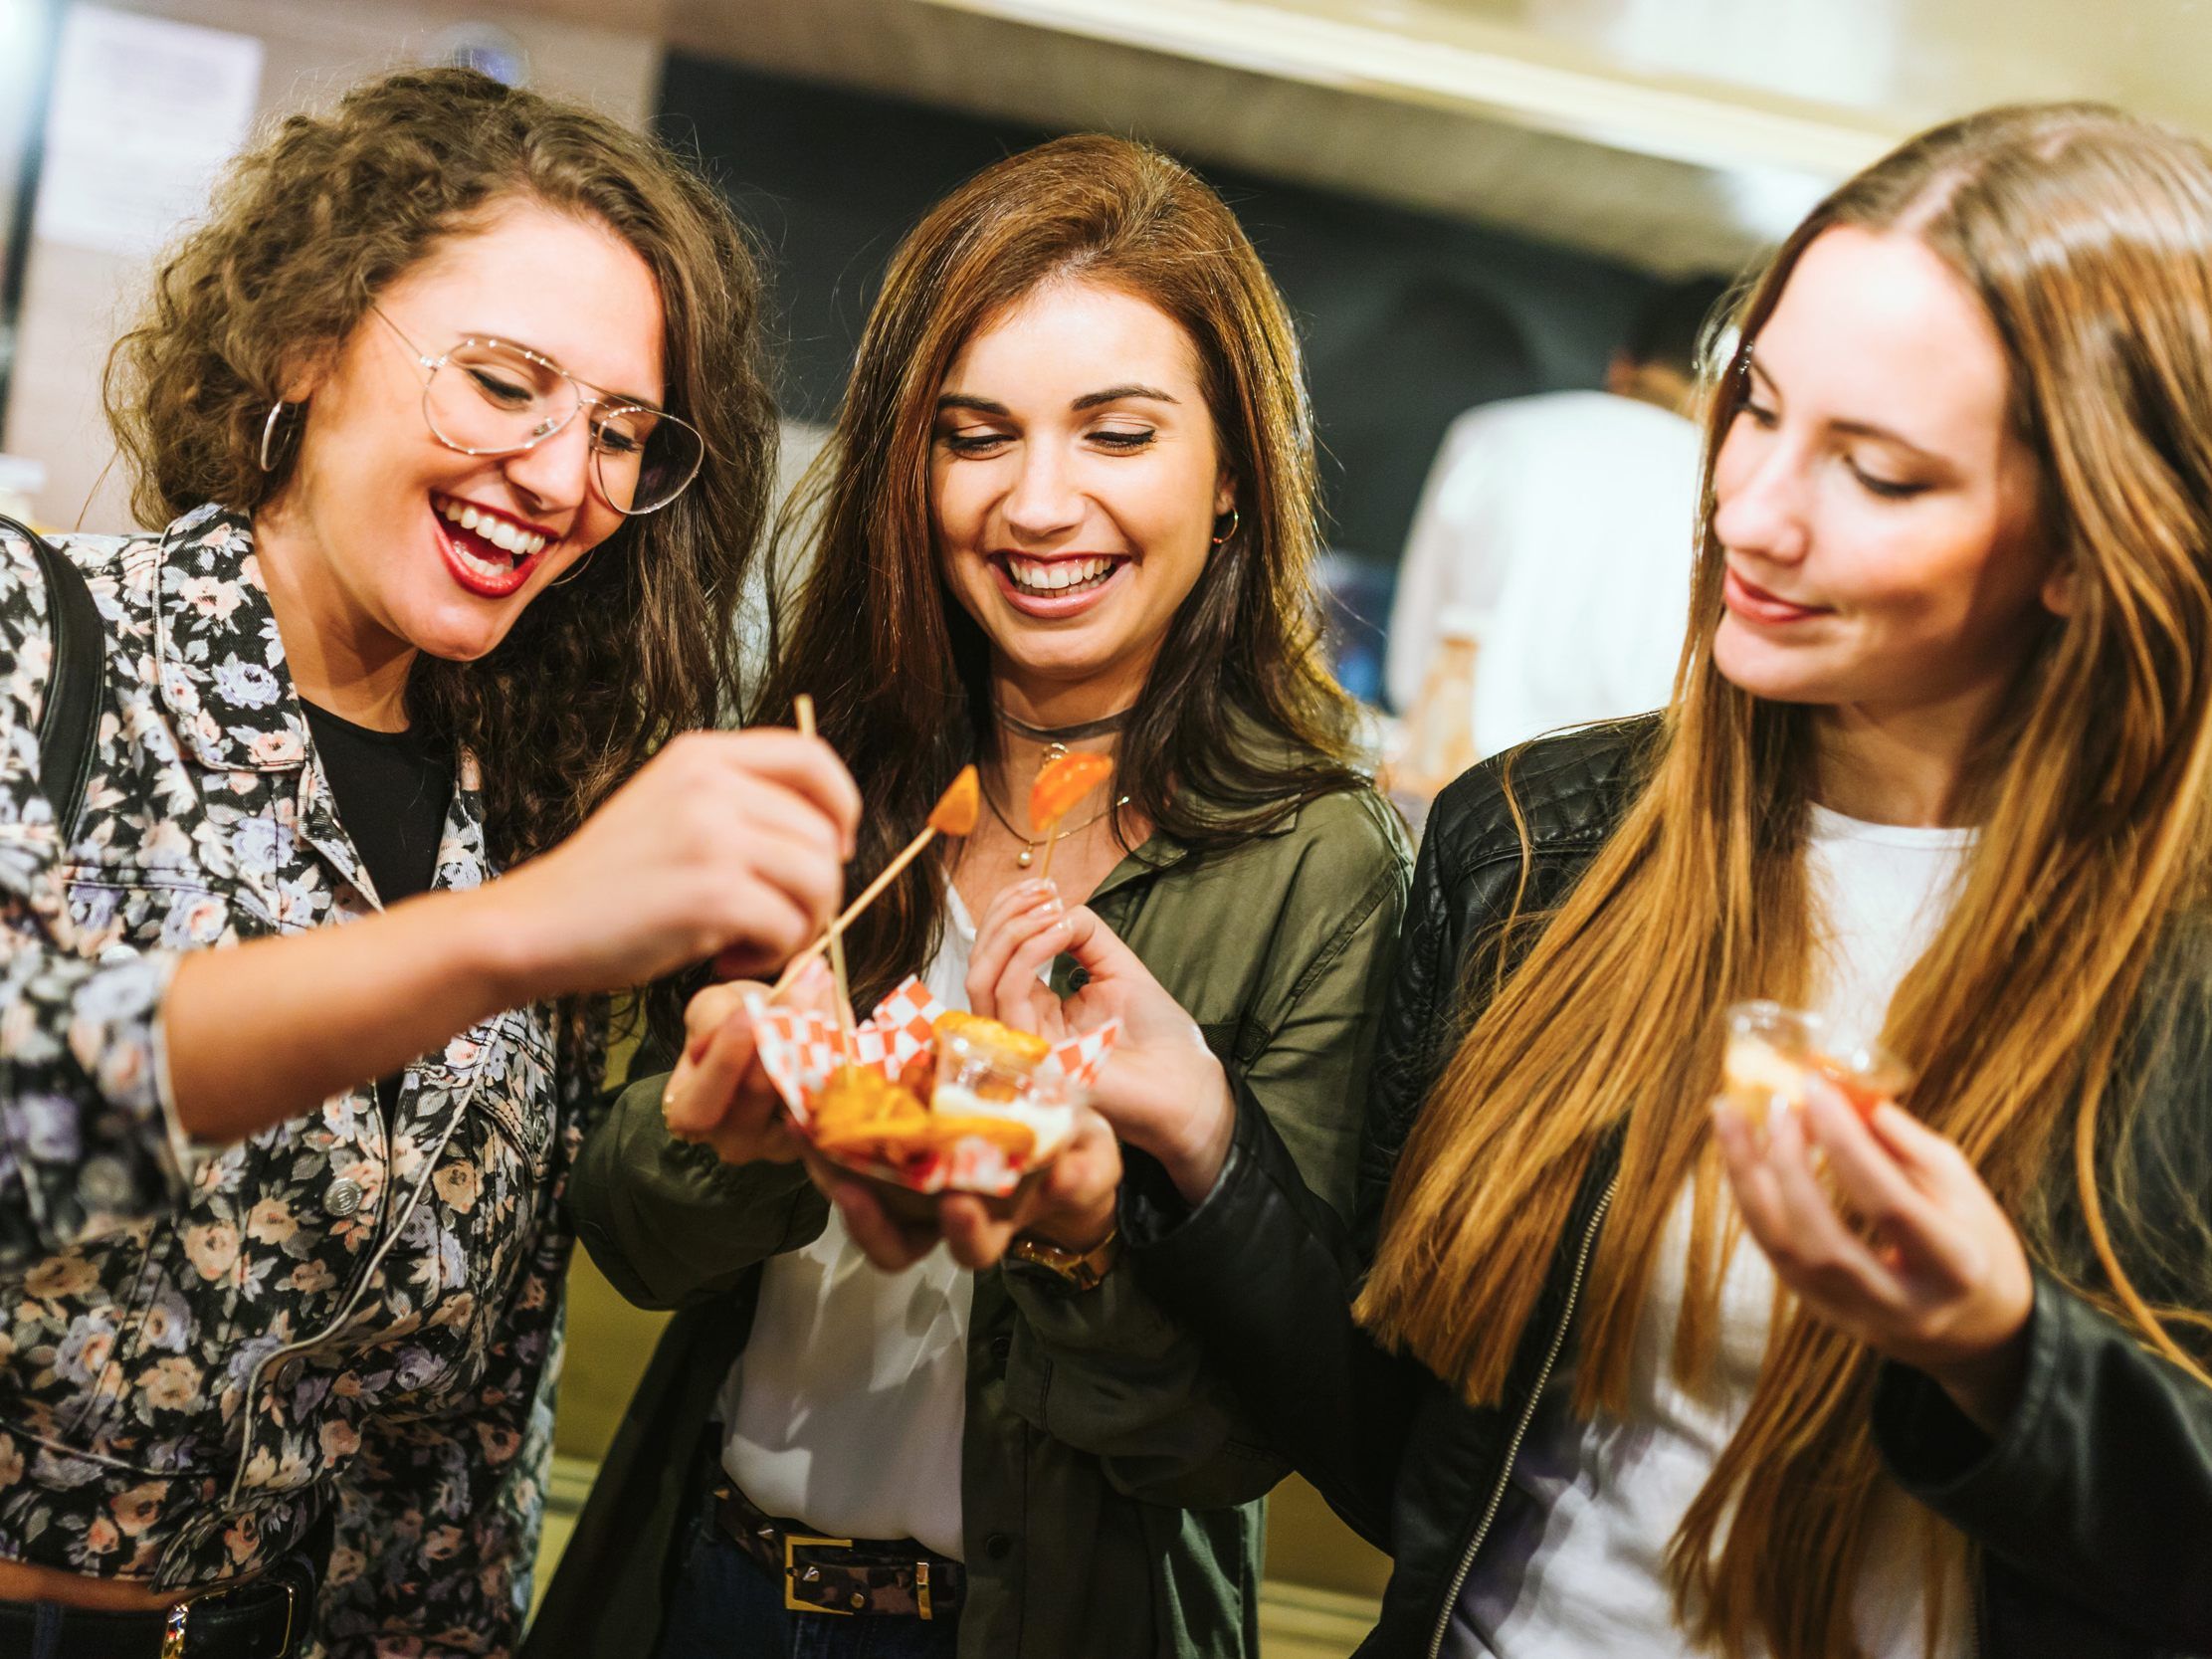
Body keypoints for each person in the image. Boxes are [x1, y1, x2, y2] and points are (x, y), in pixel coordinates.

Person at [974, 103, 2212, 1658]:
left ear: (2094, 544)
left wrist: (2001, 1353)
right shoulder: (1535, 844)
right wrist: (1204, 1136)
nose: (1747, 510)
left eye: (1878, 474)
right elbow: (1401, 1458)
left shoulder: (2176, 961)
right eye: (1751, 407)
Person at [0, 69, 857, 1659]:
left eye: (619, 430)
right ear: (308, 339)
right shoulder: (42, 644)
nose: (558, 478)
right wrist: (509, 938)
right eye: (503, 380)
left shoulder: (515, 802)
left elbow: (464, 1434)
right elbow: (19, 1118)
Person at [532, 134, 1410, 1659]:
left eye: (1117, 435)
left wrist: (1077, 1230)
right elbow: (626, 1236)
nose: (1037, 502)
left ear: (1228, 482)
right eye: (976, 434)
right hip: (710, 1587)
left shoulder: (1316, 857)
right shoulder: (814, 764)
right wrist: (735, 1128)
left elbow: (1249, 1435)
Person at [1384, 273, 1731, 774]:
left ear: (1622, 365)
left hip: (1460, 776)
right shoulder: (1725, 490)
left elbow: (1416, 645)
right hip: (1619, 795)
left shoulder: (1494, 434)